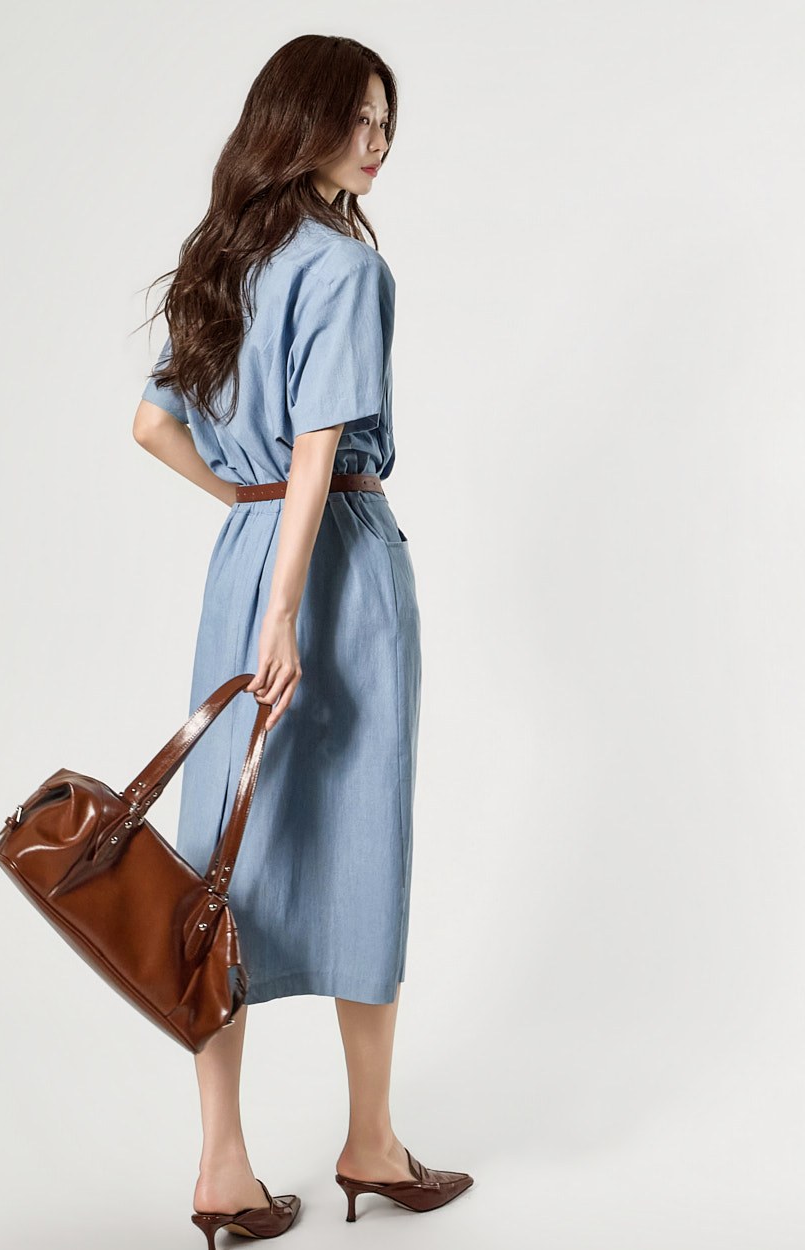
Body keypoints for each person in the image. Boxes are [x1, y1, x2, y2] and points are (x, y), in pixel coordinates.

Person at [132, 34, 473, 1246]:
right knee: (363, 837)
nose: (376, 142)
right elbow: (322, 449)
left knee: (223, 858)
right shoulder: (344, 267)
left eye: (386, 122)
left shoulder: (222, 258)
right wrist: (287, 607)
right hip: (335, 568)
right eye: (357, 120)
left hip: (248, 557)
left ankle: (221, 1163)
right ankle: (369, 1140)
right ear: (303, 121)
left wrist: (246, 509)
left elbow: (150, 425)